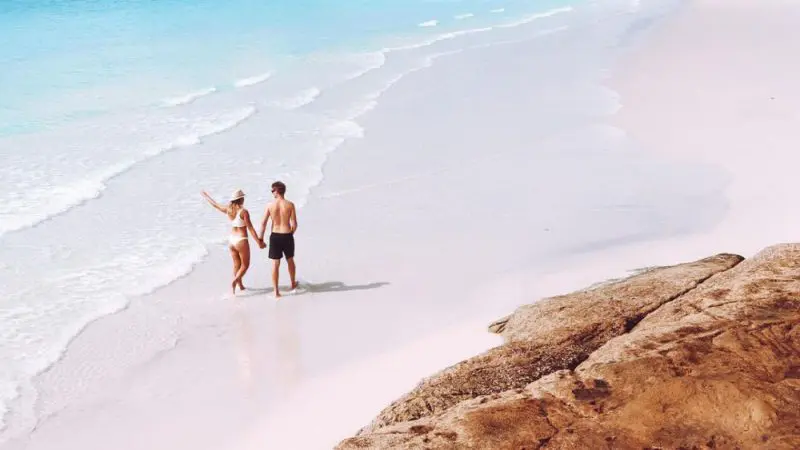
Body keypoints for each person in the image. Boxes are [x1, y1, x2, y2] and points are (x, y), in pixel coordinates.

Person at [202, 189, 264, 295]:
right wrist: (258, 242)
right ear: (241, 199)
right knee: (245, 265)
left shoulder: (228, 209)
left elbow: (215, 205)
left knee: (236, 265)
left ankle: (239, 287)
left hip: (231, 241)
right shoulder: (244, 212)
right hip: (241, 240)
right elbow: (250, 228)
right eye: (243, 197)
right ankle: (235, 280)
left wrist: (206, 196)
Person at [258, 181, 298, 298]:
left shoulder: (270, 205)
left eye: (272, 191)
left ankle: (276, 291)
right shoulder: (290, 204)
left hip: (275, 236)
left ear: (277, 191)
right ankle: (293, 284)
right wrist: (290, 234)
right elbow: (294, 224)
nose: (272, 193)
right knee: (290, 260)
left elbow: (263, 223)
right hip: (287, 234)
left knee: (275, 263)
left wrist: (260, 238)